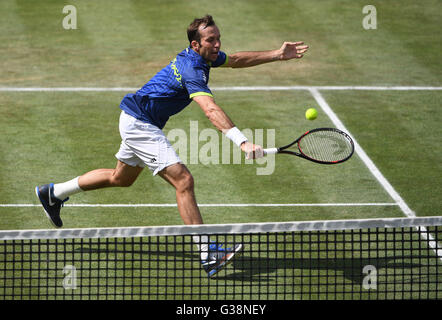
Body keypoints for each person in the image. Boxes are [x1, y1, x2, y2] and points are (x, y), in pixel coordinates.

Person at [35, 15, 308, 277]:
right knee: (183, 180)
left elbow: (236, 60)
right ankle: (207, 252)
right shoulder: (192, 70)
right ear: (195, 44)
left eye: (218, 39)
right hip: (140, 123)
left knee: (121, 178)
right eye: (211, 40)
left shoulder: (202, 58)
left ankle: (54, 192)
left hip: (136, 119)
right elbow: (210, 109)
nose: (217, 45)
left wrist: (276, 54)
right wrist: (243, 142)